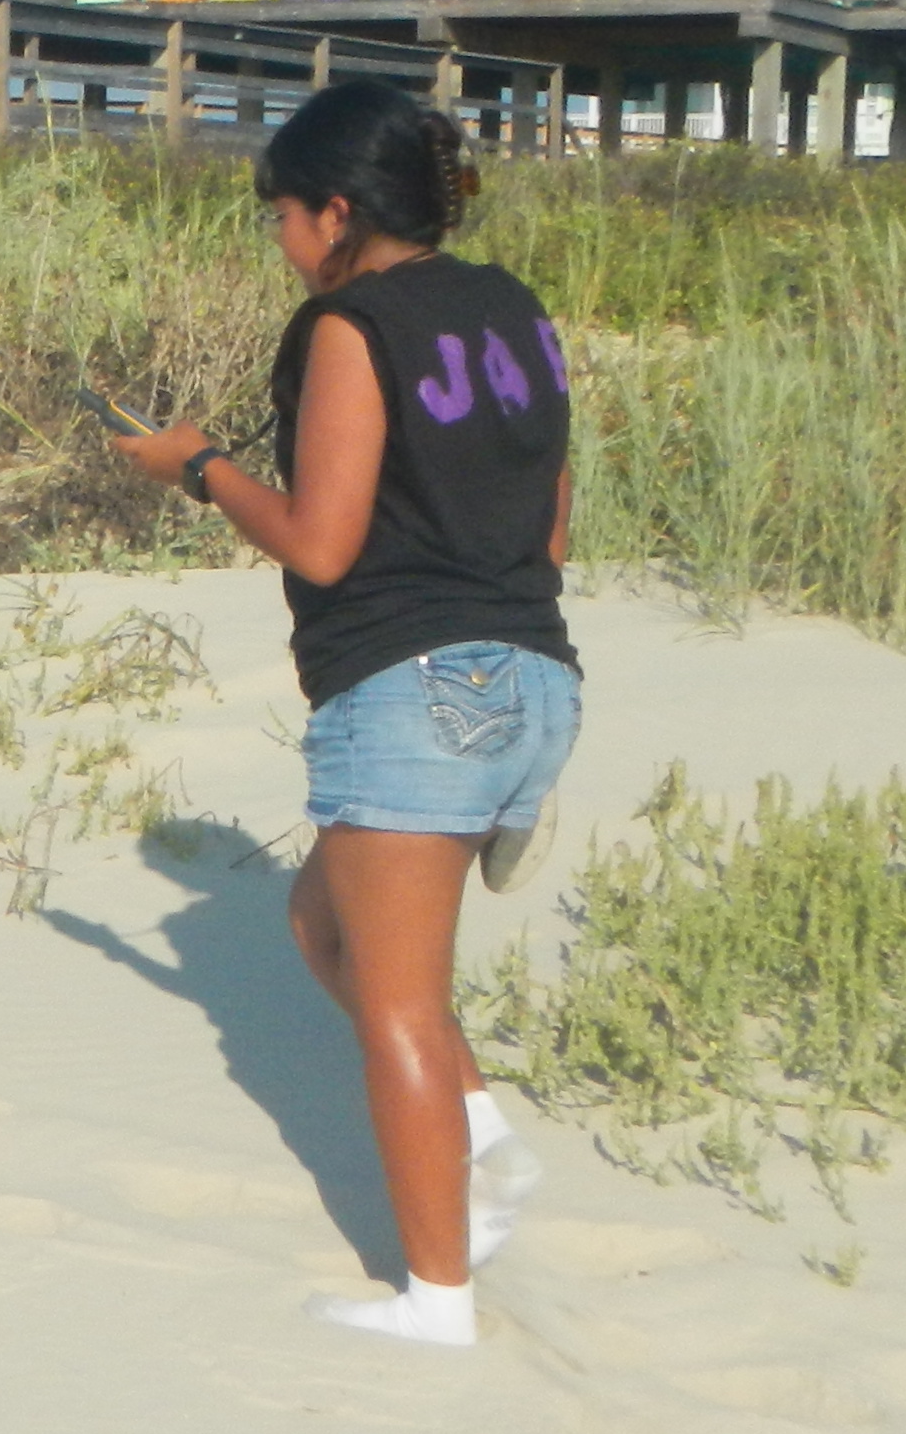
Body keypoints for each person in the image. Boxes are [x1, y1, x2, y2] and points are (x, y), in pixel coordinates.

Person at [107, 83, 573, 1349]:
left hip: (415, 687)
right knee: (323, 924)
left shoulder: (349, 330)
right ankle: (477, 1142)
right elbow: (553, 525)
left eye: (281, 217)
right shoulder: (515, 310)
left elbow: (320, 546)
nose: (278, 240)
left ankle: (438, 1299)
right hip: (536, 675)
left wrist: (199, 469)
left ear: (336, 213)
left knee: (404, 1001)